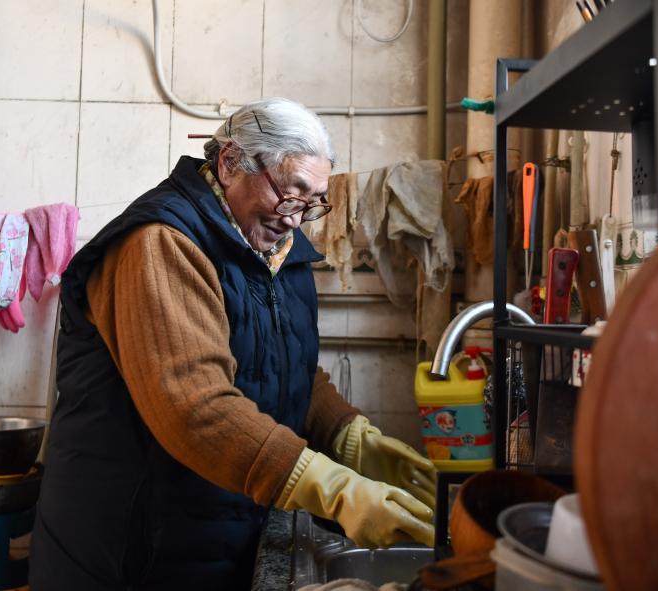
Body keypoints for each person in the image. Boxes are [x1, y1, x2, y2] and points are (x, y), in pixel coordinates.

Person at [29, 97, 436, 590]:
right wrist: (330, 487)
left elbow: (285, 364)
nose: (295, 218)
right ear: (229, 163)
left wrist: (348, 436)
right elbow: (194, 407)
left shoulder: (277, 249)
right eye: (290, 194)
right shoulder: (161, 244)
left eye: (312, 202)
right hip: (130, 549)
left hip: (216, 534)